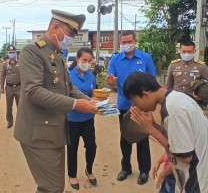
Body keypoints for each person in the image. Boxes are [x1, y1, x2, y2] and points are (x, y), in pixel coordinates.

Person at [14, 9, 99, 193]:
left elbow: (69, 88)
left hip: (54, 131)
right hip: (39, 133)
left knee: (54, 187)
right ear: (55, 27)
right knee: (51, 188)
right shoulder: (33, 52)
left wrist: (92, 103)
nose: (70, 40)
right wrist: (75, 104)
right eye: (69, 34)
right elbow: (33, 91)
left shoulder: (57, 55)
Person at [123, 72, 208, 193]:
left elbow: (185, 156)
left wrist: (150, 129)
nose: (137, 107)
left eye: (135, 102)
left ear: (145, 94)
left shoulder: (172, 109)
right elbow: (175, 138)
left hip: (196, 182)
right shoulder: (175, 98)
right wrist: (153, 125)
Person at [106, 31, 156, 185]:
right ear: (120, 42)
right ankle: (125, 168)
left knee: (142, 139)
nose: (126, 45)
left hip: (142, 106)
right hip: (124, 106)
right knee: (125, 138)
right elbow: (110, 82)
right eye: (123, 42)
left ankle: (144, 170)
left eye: (129, 41)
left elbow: (152, 80)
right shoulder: (115, 59)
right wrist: (111, 82)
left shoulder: (145, 58)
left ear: (135, 41)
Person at [67, 47, 97, 190]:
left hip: (88, 118)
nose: (87, 63)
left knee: (91, 146)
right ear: (77, 59)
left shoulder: (91, 76)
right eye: (84, 60)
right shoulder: (68, 75)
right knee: (72, 148)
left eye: (89, 61)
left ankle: (89, 170)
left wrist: (99, 101)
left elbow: (93, 94)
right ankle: (72, 175)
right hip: (72, 119)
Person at [0, 45, 20, 128]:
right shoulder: (5, 64)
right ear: (8, 54)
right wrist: (2, 87)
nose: (11, 54)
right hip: (9, 88)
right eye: (10, 53)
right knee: (9, 106)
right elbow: (2, 76)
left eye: (13, 52)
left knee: (20, 106)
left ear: (15, 53)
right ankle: (9, 121)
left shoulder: (20, 63)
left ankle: (20, 122)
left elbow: (24, 75)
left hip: (19, 87)